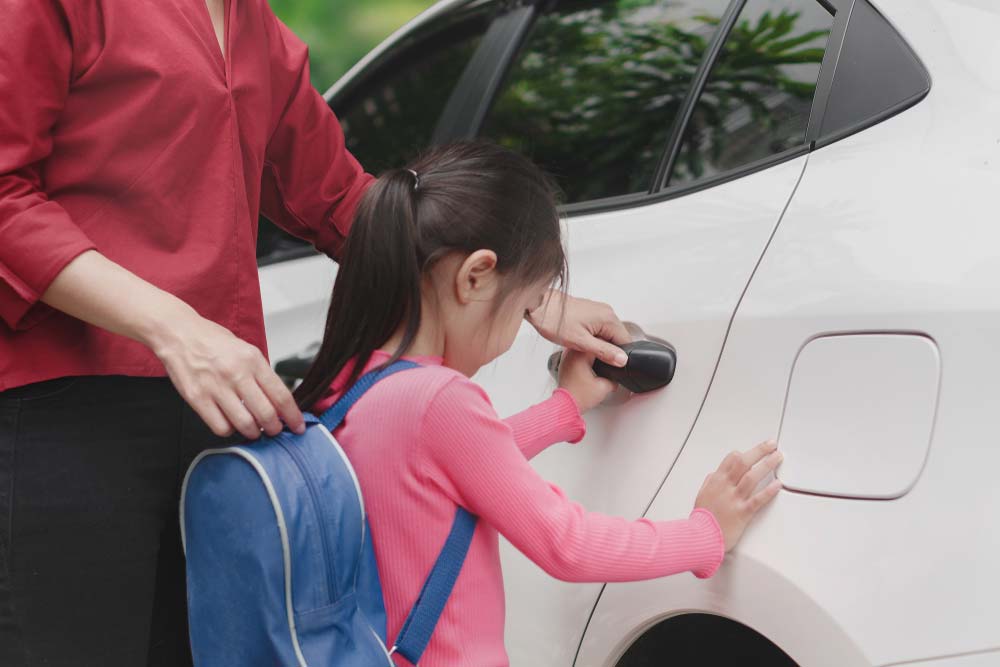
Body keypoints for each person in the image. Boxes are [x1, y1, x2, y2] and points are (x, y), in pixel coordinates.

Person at [0, 2, 630, 665]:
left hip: (229, 416)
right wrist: (177, 328)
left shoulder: (254, 28)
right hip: (66, 409)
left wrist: (526, 293)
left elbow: (345, 202)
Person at [299, 141, 783, 667]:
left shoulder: (351, 386)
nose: (514, 336)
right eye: (526, 307)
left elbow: (455, 466)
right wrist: (703, 535)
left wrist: (563, 409)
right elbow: (565, 544)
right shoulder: (438, 399)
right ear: (476, 277)